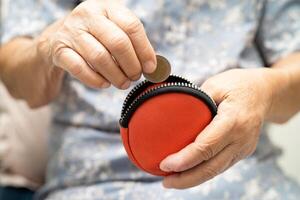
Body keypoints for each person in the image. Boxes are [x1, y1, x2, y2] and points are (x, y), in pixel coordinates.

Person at [1, 0, 300, 199]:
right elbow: (17, 78)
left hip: (244, 179)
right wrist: (48, 45)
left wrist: (267, 90)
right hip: (90, 185)